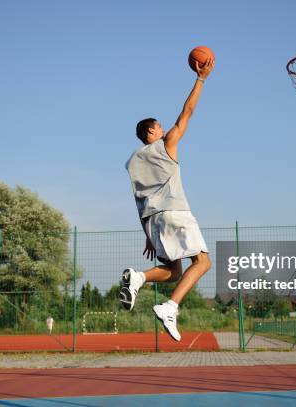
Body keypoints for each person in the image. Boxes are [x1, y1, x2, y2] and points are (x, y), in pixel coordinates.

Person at [121, 58, 215, 341]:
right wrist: (201, 79)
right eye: (159, 127)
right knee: (203, 263)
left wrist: (148, 236)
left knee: (173, 271)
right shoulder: (166, 145)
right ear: (151, 132)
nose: (163, 129)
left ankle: (138, 278)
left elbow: (138, 202)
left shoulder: (133, 162)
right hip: (175, 211)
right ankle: (170, 307)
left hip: (153, 220)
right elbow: (187, 112)